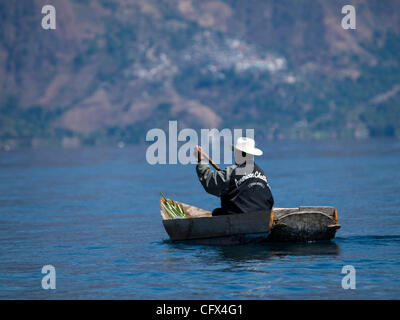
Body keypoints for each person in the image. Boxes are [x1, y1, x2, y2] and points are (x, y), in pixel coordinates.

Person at [195, 137, 274, 216]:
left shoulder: (233, 172)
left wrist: (201, 161)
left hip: (239, 216)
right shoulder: (261, 173)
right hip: (264, 215)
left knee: (216, 213)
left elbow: (209, 181)